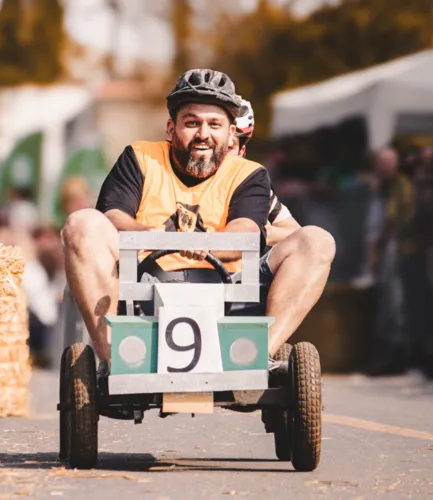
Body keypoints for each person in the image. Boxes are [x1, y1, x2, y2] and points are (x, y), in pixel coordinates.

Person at [62, 68, 336, 377]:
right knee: (81, 223)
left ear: (230, 132)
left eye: (214, 124)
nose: (203, 133)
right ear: (171, 128)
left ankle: (258, 356)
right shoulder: (139, 157)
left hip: (228, 289)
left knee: (317, 240)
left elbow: (246, 230)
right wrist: (149, 235)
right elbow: (113, 216)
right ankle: (113, 358)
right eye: (192, 123)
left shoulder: (249, 174)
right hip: (144, 283)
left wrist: (201, 245)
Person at [226, 97, 302, 246]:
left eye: (229, 148)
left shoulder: (249, 183)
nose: (219, 153)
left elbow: (299, 234)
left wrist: (264, 233)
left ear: (241, 152)